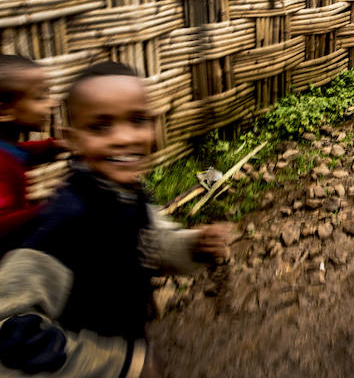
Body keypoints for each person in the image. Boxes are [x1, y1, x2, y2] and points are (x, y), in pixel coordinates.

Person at [0, 62, 232, 378]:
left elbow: (148, 236)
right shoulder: (64, 223)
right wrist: (119, 365)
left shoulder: (126, 192)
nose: (124, 138)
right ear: (73, 139)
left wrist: (191, 246)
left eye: (137, 120)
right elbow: (11, 331)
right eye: (100, 127)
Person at [0, 55, 65, 256]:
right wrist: (53, 208)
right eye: (40, 97)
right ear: (4, 110)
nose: (52, 102)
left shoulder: (6, 149)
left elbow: (20, 153)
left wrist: (54, 146)